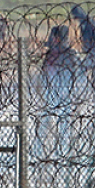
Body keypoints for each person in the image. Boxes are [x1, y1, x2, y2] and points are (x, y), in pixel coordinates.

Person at [37, 25, 78, 156]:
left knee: (64, 124)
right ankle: (42, 150)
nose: (52, 40)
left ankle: (63, 151)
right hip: (50, 92)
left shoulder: (70, 54)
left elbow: (76, 74)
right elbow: (43, 73)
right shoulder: (51, 54)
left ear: (59, 38)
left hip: (64, 92)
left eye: (54, 37)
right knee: (46, 122)